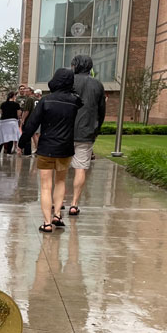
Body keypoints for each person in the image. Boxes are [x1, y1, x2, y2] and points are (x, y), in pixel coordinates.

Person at [18, 68, 83, 232]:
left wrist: (22, 141)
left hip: (46, 147)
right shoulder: (74, 101)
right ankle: (57, 215)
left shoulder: (46, 101)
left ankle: (47, 223)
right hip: (65, 148)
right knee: (60, 182)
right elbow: (79, 103)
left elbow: (32, 124)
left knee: (45, 186)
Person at [68, 55, 105, 216]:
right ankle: (74, 203)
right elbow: (101, 110)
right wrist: (96, 129)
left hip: (65, 131)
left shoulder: (67, 81)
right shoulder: (97, 85)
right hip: (86, 131)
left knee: (61, 168)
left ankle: (59, 200)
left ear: (75, 65)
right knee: (81, 168)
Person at [18, 87, 35, 156]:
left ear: (31, 92)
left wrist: (23, 119)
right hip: (33, 120)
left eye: (27, 91)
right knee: (29, 136)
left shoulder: (29, 99)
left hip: (28, 120)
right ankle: (26, 150)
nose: (25, 92)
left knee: (26, 135)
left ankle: (26, 151)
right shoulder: (34, 99)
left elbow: (26, 111)